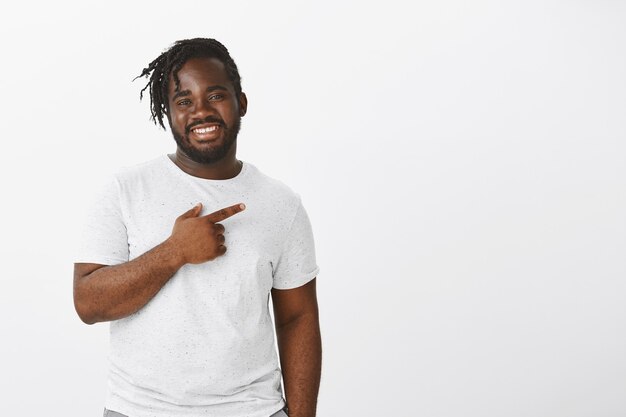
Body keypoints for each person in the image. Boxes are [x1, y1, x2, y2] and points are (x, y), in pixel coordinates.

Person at [73, 38, 321, 417]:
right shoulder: (125, 190)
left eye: (215, 95)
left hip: (251, 409)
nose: (201, 111)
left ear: (241, 102)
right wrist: (174, 253)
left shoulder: (281, 204)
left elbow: (297, 318)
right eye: (184, 101)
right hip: (139, 410)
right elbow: (88, 303)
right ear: (167, 114)